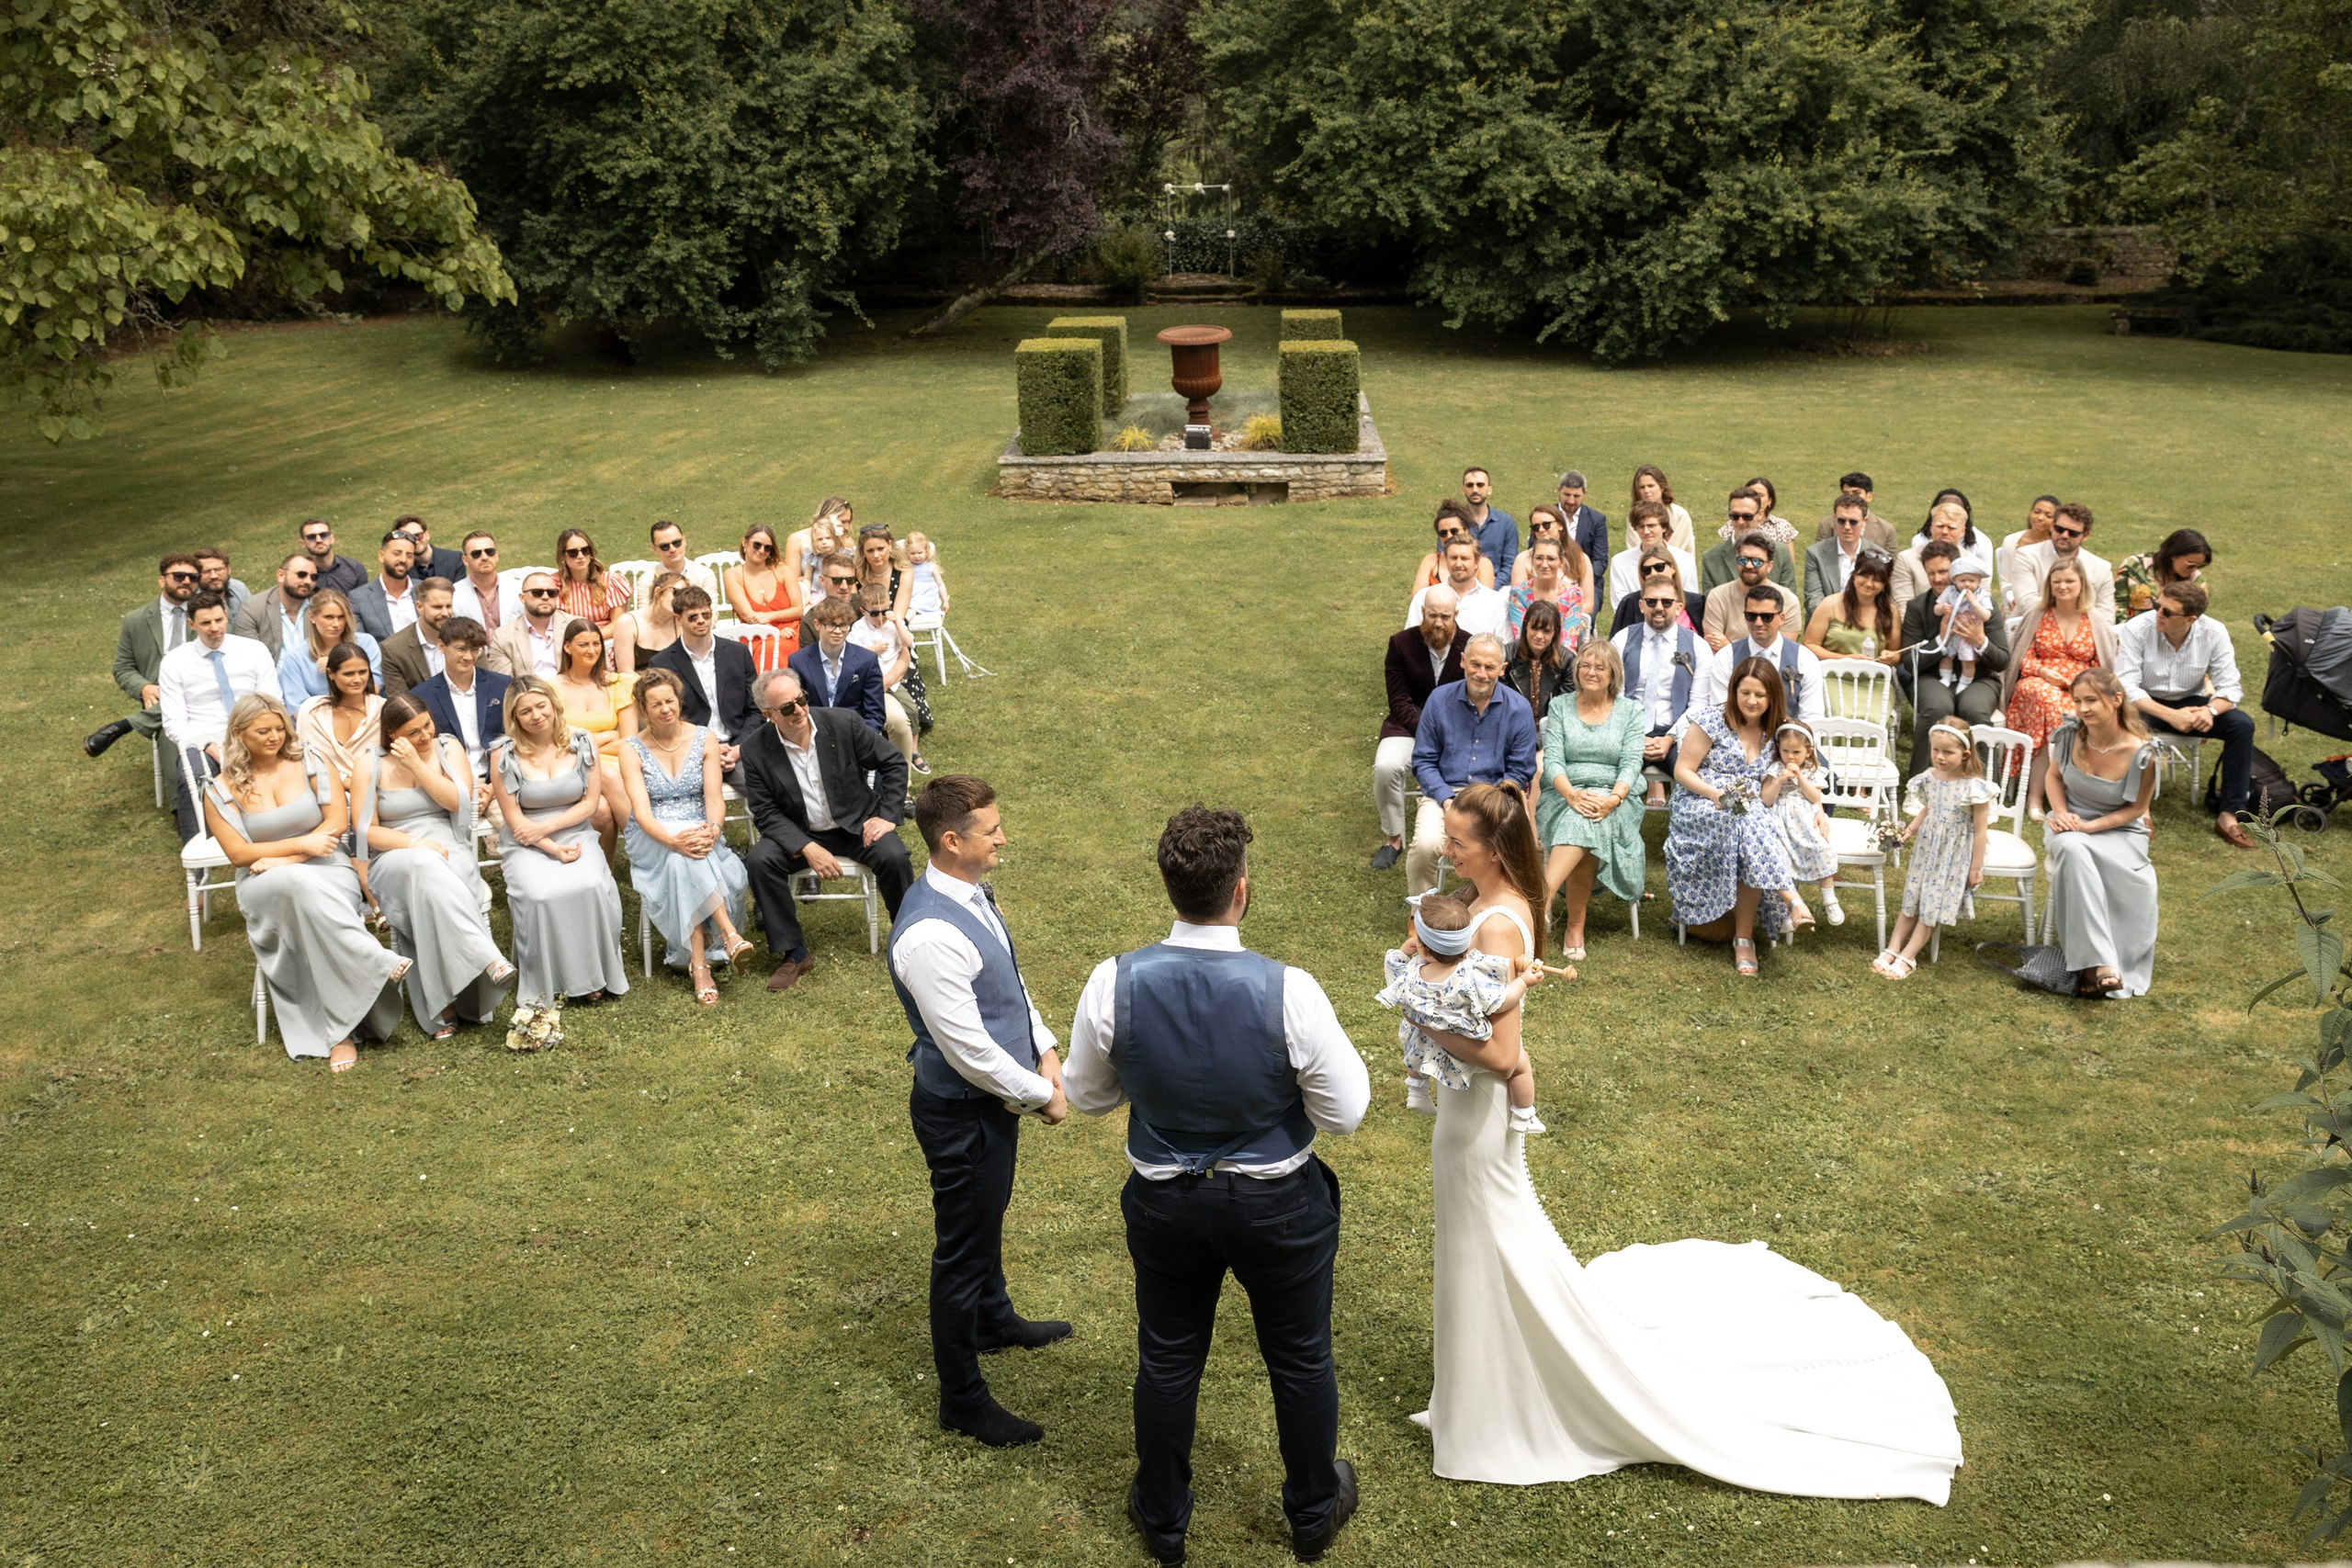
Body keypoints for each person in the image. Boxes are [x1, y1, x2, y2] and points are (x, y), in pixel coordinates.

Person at [1408, 778, 1960, 1499]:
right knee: (1481, 1252)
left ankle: (1497, 1411)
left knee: (1489, 1247)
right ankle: (1481, 1394)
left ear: (1495, 849)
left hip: (1477, 1119)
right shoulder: (1479, 907)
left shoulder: (1500, 925)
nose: (1446, 850)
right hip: (1464, 1115)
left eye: (1457, 842)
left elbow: (1504, 1053)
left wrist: (1421, 1015)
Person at [1064, 805, 1371, 1561]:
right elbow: (1346, 1112)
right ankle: (1312, 1510)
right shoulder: (1290, 989)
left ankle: (1163, 1515)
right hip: (1279, 1204)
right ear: (1240, 889)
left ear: (1172, 887)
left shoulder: (1112, 980)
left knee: (1169, 1357)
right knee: (1300, 1355)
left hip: (1165, 1202)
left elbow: (1090, 1094)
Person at [883, 774, 1068, 1448]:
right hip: (963, 1114)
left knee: (986, 1216)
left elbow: (1006, 981)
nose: (1003, 838)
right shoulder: (930, 935)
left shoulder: (969, 892)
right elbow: (968, 1051)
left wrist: (1044, 1044)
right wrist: (1042, 1094)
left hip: (988, 1104)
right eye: (991, 830)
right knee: (961, 1249)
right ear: (952, 841)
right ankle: (961, 1398)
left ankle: (994, 1319)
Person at [203, 694, 408, 1069]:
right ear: (238, 733)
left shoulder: (311, 761)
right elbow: (239, 853)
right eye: (263, 731)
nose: (274, 737)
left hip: (328, 867)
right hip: (262, 881)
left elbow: (336, 822)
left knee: (304, 892)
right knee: (297, 885)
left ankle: (340, 1033)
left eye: (280, 728)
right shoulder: (221, 788)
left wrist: (290, 858)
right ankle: (370, 962)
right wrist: (300, 846)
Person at [739, 669, 913, 990]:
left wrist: (888, 816)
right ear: (768, 715)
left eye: (801, 699)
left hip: (856, 824)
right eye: (787, 708)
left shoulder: (843, 723)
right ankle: (794, 952)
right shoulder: (754, 749)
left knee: (894, 856)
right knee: (760, 861)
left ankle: (910, 938)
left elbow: (893, 762)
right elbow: (765, 812)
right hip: (800, 830)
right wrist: (806, 847)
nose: (799, 710)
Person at [355, 694, 515, 1037]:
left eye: (427, 725)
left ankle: (442, 1007)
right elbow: (366, 831)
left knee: (430, 885)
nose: (425, 735)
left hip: (449, 847)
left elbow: (459, 803)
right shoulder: (370, 764)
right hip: (394, 856)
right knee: (423, 866)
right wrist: (415, 844)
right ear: (391, 734)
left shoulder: (448, 748)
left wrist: (417, 765)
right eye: (413, 732)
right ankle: (487, 959)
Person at [488, 676, 632, 1006]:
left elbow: (590, 803)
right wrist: (550, 845)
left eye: (541, 706)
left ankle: (595, 975)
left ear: (554, 705)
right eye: (526, 711)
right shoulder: (503, 754)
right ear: (514, 716)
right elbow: (514, 819)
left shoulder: (583, 741)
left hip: (575, 829)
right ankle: (550, 980)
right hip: (526, 842)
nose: (536, 716)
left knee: (591, 885)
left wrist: (550, 828)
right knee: (541, 895)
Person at [620, 668, 755, 1005]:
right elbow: (642, 813)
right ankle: (729, 933)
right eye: (656, 704)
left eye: (670, 701)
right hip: (653, 836)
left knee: (683, 862)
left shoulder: (704, 738)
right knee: (681, 852)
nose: (665, 709)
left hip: (700, 831)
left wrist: (714, 830)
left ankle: (699, 967)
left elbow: (714, 799)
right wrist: (672, 840)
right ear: (642, 710)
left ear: (679, 701)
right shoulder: (630, 749)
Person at [1667, 659, 1802, 974]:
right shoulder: (1711, 720)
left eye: (1760, 695)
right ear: (1733, 691)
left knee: (1747, 821)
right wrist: (1715, 795)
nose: (1752, 701)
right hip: (1701, 802)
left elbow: (1797, 770)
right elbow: (1682, 770)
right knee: (1746, 820)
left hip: (1750, 806)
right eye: (1745, 693)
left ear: (1772, 696)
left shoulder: (1776, 731)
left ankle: (1744, 935)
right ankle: (1787, 902)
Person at [1380, 887, 1546, 1126]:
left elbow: (1394, 971)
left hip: (1424, 1039)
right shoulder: (1469, 976)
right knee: (1520, 1065)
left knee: (1415, 1040)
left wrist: (1404, 953)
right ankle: (1524, 1115)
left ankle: (1416, 1090)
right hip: (1462, 1042)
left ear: (1422, 947)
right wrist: (1524, 982)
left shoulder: (1412, 972)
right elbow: (1500, 1001)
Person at [2044, 668, 2160, 997]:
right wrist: (2062, 813)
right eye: (2078, 701)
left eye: (2091, 700)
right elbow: (2053, 777)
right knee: (2071, 847)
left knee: (2082, 852)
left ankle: (2091, 964)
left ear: (2116, 699)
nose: (2082, 709)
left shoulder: (2142, 754)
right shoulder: (2069, 736)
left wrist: (2090, 827)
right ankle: (2103, 962)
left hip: (2120, 831)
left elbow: (2136, 810)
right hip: (2069, 823)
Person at [2118, 580, 2256, 848]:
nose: (2158, 613)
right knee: (2127, 722)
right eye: (2157, 605)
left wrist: (2209, 710)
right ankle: (2140, 811)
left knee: (2241, 725)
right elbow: (2127, 686)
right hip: (2146, 703)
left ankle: (2229, 815)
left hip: (2193, 703)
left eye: (2167, 612)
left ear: (2191, 620)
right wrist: (2172, 716)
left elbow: (2230, 688)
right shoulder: (2137, 628)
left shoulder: (2214, 632)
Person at [1535, 638, 1645, 958]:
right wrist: (1571, 794)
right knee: (1584, 820)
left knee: (1586, 820)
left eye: (1600, 667)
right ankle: (1574, 927)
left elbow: (1631, 763)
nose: (1591, 672)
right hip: (1564, 794)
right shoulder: (1560, 706)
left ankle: (1540, 902)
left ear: (1613, 674)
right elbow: (1553, 761)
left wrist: (1614, 798)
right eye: (1585, 665)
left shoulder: (1631, 711)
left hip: (1616, 797)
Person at [1408, 635, 1539, 897]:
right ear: (1463, 661)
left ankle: (1502, 906)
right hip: (1444, 794)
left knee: (1513, 849)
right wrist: (1446, 800)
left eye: (1490, 667)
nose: (1481, 673)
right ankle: (1421, 912)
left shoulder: (1519, 709)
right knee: (1425, 844)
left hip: (1496, 798)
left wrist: (1487, 804)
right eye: (1475, 664)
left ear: (1502, 669)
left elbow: (1520, 770)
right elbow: (1423, 761)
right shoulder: (1439, 700)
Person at [1871, 716, 1995, 980]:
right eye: (1935, 750)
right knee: (1912, 897)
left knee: (1933, 904)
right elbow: (1929, 808)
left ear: (1965, 754)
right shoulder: (1930, 778)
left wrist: (1975, 869)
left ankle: (1908, 956)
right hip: (1927, 849)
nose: (1939, 757)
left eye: (1948, 752)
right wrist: (1909, 830)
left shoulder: (1974, 787)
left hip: (1954, 854)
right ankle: (1892, 948)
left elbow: (1980, 831)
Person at [160, 591, 283, 842]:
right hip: (201, 739)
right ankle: (200, 844)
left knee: (285, 766)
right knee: (194, 774)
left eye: (219, 620)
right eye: (206, 623)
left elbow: (271, 701)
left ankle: (280, 832)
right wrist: (207, 744)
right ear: (191, 624)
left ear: (226, 616)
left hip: (253, 731)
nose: (214, 628)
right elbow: (173, 723)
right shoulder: (175, 662)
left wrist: (247, 738)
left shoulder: (254, 651)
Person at [1999, 559, 2117, 816]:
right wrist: (2044, 672)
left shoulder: (2094, 620)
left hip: (2081, 687)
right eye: (2057, 582)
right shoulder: (2038, 615)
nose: (2063, 586)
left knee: (2064, 713)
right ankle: (2040, 796)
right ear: (2049, 586)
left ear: (2081, 584)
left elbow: (2101, 666)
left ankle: (2047, 794)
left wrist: (2078, 683)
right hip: (2036, 682)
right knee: (2049, 701)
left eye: (2069, 581)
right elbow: (2022, 658)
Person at [1373, 588, 1467, 871]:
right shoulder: (1400, 644)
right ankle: (1393, 839)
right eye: (1432, 615)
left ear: (1456, 614)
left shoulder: (1469, 645)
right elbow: (1399, 700)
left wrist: (1446, 734)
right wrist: (1428, 730)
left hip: (1454, 732)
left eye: (1445, 617)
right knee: (1386, 766)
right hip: (1406, 726)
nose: (1438, 623)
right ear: (1423, 612)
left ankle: (1461, 838)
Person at [1904, 553, 2010, 783]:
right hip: (1933, 676)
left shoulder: (1984, 603)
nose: (1938, 578)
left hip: (1979, 677)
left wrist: (1980, 640)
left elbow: (2002, 660)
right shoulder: (1918, 607)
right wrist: (1941, 640)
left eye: (1943, 572)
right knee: (1937, 707)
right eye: (1931, 573)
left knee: (1974, 710)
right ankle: (1920, 785)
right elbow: (1910, 662)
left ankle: (1983, 786)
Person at [86, 554, 200, 762]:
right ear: (161, 580)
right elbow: (123, 667)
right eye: (178, 576)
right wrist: (143, 688)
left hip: (201, 689)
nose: (186, 581)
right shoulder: (136, 620)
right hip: (161, 698)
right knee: (176, 768)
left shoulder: (208, 614)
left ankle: (125, 725)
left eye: (193, 577)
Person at [650, 587, 756, 780]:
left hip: (739, 746)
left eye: (706, 615)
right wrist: (707, 748)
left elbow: (755, 710)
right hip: (690, 753)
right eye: (692, 617)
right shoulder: (662, 663)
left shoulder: (738, 653)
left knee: (770, 785)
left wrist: (739, 748)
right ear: (678, 619)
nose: (701, 620)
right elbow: (666, 720)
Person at [552, 617, 637, 860]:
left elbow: (630, 742)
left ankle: (606, 872)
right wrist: (608, 735)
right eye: (583, 645)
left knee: (601, 810)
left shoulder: (618, 684)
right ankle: (644, 847)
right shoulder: (551, 687)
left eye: (596, 644)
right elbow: (559, 743)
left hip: (617, 764)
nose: (592, 650)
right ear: (567, 647)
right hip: (571, 765)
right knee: (606, 774)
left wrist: (587, 742)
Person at [1613, 578, 1702, 807]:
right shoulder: (1621, 640)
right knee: (1607, 781)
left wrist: (1670, 738)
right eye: (1652, 602)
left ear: (1679, 607)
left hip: (1678, 734)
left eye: (1666, 602)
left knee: (1699, 785)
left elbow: (1699, 704)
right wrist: (1635, 737)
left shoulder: (1698, 646)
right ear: (1641, 605)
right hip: (1629, 732)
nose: (1659, 607)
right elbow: (1613, 696)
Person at [411, 616, 507, 787]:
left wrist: (494, 787)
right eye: (461, 649)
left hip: (498, 780)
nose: (468, 657)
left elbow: (514, 737)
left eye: (475, 649)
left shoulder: (502, 685)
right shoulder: (421, 696)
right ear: (441, 646)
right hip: (448, 783)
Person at [1766, 723, 1842, 925]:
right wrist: (1778, 781)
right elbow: (1766, 799)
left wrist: (1800, 777)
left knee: (1821, 847)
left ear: (1808, 751)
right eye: (1785, 751)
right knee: (1779, 857)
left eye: (1796, 752)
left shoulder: (1811, 770)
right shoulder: (1775, 768)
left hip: (1805, 818)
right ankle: (1788, 910)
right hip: (1780, 819)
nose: (1790, 757)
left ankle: (1830, 899)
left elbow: (1815, 796)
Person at [849, 581, 925, 773]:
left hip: (894, 681)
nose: (881, 617)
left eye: (885, 611)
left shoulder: (893, 624)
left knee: (912, 709)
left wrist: (897, 622)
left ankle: (914, 749)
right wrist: (872, 649)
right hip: (871, 682)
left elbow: (908, 642)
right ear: (863, 611)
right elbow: (852, 655)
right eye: (875, 613)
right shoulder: (859, 628)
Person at [788, 597, 888, 737]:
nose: (838, 631)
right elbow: (798, 710)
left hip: (855, 735)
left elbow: (875, 713)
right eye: (831, 625)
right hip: (814, 735)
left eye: (843, 625)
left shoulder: (866, 660)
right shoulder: (798, 661)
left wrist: (863, 740)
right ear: (817, 625)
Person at [293, 641, 385, 791]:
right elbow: (307, 762)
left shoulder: (383, 710)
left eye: (363, 672)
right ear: (331, 674)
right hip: (324, 793)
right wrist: (346, 782)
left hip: (377, 791)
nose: (357, 679)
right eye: (349, 674)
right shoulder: (312, 711)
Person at [2007, 502, 2116, 620]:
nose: (2064, 535)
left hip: (2086, 630)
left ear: (2086, 535)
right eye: (2059, 529)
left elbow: (2107, 616)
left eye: (2073, 533)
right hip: (2033, 626)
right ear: (2052, 526)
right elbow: (2027, 603)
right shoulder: (2027, 556)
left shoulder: (2101, 568)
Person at [1699, 532, 1803, 649]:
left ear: (1769, 566)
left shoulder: (1788, 601)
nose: (1749, 565)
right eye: (1743, 560)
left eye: (1757, 561)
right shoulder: (1718, 596)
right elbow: (1713, 648)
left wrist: (1729, 647)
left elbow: (1784, 652)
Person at [278, 588, 382, 705]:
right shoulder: (295, 657)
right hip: (316, 715)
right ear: (312, 617)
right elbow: (297, 705)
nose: (336, 624)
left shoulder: (366, 643)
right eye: (329, 617)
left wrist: (336, 665)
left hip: (364, 709)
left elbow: (374, 688)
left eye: (341, 617)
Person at [1698, 488, 1799, 601]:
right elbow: (1710, 603)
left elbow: (1789, 600)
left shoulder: (1781, 552)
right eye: (1734, 516)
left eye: (1747, 516)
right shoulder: (1711, 558)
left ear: (1760, 514)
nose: (1740, 522)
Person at [724, 524, 801, 663]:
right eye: (757, 545)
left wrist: (770, 616)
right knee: (770, 647)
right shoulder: (733, 575)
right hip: (754, 633)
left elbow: (798, 610)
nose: (761, 550)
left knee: (779, 646)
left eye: (767, 548)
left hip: (789, 630)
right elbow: (748, 615)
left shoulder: (783, 570)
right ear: (744, 543)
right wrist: (774, 631)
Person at [1408, 535, 1507, 641]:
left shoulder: (1497, 602)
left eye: (1464, 558)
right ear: (1446, 560)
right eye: (1453, 558)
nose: (1458, 564)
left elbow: (1504, 645)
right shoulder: (1424, 597)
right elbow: (1409, 640)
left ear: (1477, 562)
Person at [1505, 535, 1590, 651]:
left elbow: (1568, 641)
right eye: (1539, 558)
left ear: (1561, 562)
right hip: (1526, 653)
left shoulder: (1573, 595)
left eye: (1551, 559)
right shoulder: (1518, 593)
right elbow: (1520, 635)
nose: (1544, 565)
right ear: (1532, 560)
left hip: (1560, 656)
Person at [1889, 500, 1971, 621]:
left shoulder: (1972, 562)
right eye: (1940, 526)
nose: (1944, 532)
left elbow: (1983, 602)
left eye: (1951, 528)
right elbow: (1903, 606)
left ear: (1962, 531)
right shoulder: (1907, 559)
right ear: (1932, 527)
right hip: (1919, 626)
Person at [1605, 501, 1696, 607]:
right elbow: (1620, 605)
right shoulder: (1620, 562)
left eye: (1651, 526)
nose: (1646, 531)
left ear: (1664, 527)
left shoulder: (1685, 559)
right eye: (1641, 527)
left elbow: (1691, 600)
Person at [2115, 528, 2212, 624]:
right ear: (2174, 555)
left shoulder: (2196, 582)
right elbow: (2118, 603)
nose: (2195, 569)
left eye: (2201, 566)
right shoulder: (2135, 565)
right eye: (2191, 565)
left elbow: (2194, 619)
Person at [379, 577, 456, 697]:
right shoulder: (393, 649)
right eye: (437, 607)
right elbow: (401, 701)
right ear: (419, 607)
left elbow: (482, 685)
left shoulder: (467, 638)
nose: (445, 613)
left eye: (448, 606)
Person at [232, 552, 318, 657]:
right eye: (301, 575)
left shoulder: (320, 606)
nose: (308, 581)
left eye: (313, 577)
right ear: (281, 575)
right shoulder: (253, 608)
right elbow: (250, 656)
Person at [1607, 546, 1704, 636]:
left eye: (1659, 567)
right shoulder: (1630, 603)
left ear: (1673, 568)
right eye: (1646, 570)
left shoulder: (1696, 603)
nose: (1653, 573)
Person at [486, 570, 567, 679]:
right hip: (526, 689)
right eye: (537, 593)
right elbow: (503, 682)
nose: (545, 597)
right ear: (522, 598)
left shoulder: (574, 625)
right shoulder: (503, 637)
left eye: (552, 593)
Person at [1804, 494, 1876, 612]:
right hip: (1825, 619)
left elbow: (1880, 599)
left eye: (1853, 522)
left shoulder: (1878, 556)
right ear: (1834, 518)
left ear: (1865, 521)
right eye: (1841, 521)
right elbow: (1813, 599)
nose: (1846, 527)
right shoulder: (1816, 553)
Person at [1504, 600, 1570, 725]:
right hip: (1514, 724)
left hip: (1553, 727)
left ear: (1555, 632)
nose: (1539, 636)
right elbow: (1503, 703)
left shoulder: (1567, 661)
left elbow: (1566, 707)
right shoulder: (1507, 656)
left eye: (1546, 631)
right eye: (1534, 628)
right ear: (1526, 626)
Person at [348, 530, 419, 641]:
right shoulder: (359, 598)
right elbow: (362, 643)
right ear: (381, 556)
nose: (403, 559)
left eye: (409, 556)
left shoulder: (426, 590)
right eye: (397, 553)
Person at [554, 527, 630, 631]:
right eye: (573, 552)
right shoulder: (554, 584)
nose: (580, 556)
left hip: (606, 638)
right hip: (569, 638)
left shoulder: (610, 581)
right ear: (563, 556)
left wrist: (593, 638)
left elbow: (618, 623)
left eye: (585, 550)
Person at [1410, 501, 1493, 596]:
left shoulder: (1482, 564)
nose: (1449, 536)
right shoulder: (1431, 561)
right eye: (1443, 533)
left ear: (1466, 531)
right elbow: (1417, 598)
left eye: (1454, 531)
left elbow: (1486, 600)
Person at [1996, 496, 2059, 617]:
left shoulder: (2056, 547)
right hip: (2015, 603)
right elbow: (2006, 580)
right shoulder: (2011, 541)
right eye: (2037, 512)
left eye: (2048, 515)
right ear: (2030, 512)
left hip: (2047, 605)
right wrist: (2012, 599)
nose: (2040, 518)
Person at [784, 497, 853, 608]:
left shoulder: (846, 542)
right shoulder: (796, 540)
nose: (847, 527)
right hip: (810, 595)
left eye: (848, 522)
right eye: (843, 522)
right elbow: (791, 579)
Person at [616, 570, 688, 672]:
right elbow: (626, 672)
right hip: (635, 681)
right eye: (677, 593)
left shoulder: (681, 624)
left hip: (672, 681)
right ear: (658, 592)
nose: (680, 600)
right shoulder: (627, 623)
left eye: (684, 595)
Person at [449, 530, 517, 638]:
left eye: (490, 552)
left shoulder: (518, 589)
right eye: (476, 554)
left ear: (496, 556)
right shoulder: (453, 595)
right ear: (465, 560)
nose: (485, 557)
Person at [1812, 471, 1900, 552]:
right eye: (1846, 494)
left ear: (1869, 496)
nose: (1851, 497)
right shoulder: (1827, 524)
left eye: (1857, 493)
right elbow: (1819, 556)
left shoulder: (1886, 530)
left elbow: (1891, 562)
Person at [1460, 467, 1518, 581]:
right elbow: (1444, 558)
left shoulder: (1506, 522)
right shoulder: (1453, 522)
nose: (1475, 490)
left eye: (1480, 485)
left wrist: (1491, 588)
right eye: (1470, 485)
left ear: (1489, 489)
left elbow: (1509, 564)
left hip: (1497, 585)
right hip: (1460, 583)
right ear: (1463, 490)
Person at [1628, 464, 1696, 552]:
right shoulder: (1634, 516)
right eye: (1642, 487)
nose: (1646, 491)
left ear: (1662, 487)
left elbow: (1684, 548)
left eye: (1651, 486)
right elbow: (1634, 548)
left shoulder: (1680, 515)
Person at [649, 519, 720, 601]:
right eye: (665, 546)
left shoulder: (705, 575)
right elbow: (646, 609)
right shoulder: (647, 581)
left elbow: (711, 608)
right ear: (655, 549)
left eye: (676, 543)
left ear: (684, 541)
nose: (672, 549)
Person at [1554, 468, 1611, 570]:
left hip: (1584, 576)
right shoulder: (1545, 516)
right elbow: (1533, 551)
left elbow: (1600, 560)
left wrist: (1582, 577)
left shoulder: (1596, 520)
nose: (1571, 501)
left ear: (1585, 493)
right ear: (1559, 490)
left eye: (1576, 496)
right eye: (1567, 495)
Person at [297, 518, 368, 595]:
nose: (318, 540)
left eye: (324, 535)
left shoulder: (355, 568)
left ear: (331, 539)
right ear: (302, 543)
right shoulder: (298, 574)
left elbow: (363, 600)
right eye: (311, 537)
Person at [394, 514, 465, 583]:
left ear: (427, 535)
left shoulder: (454, 559)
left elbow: (460, 590)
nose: (415, 541)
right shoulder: (400, 567)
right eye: (408, 538)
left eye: (418, 536)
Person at [193, 547, 251, 621]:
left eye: (218, 569)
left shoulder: (240, 588)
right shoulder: (191, 599)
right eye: (206, 571)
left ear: (228, 569)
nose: (214, 576)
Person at [906, 532, 950, 616]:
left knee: (914, 606)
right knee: (909, 605)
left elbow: (940, 585)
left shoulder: (931, 567)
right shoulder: (907, 567)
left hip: (927, 598)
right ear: (907, 553)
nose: (917, 556)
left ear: (926, 551)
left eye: (920, 553)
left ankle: (904, 622)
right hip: (912, 596)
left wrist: (945, 601)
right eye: (913, 553)